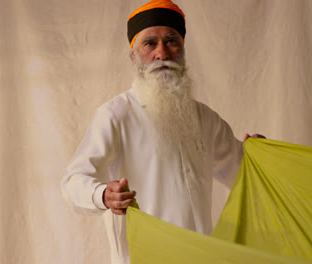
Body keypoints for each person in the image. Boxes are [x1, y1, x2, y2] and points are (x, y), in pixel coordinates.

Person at [61, 0, 264, 263]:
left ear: (183, 49)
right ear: (134, 56)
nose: (162, 53)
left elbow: (241, 174)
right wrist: (103, 195)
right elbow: (72, 181)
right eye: (150, 43)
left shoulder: (206, 119)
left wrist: (260, 158)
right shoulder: (115, 115)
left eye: (171, 41)